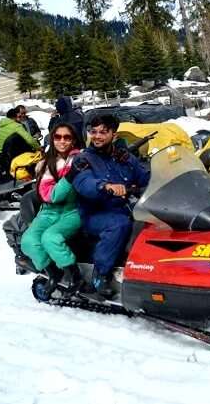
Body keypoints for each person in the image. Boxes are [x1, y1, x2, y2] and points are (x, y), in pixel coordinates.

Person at [70, 114, 149, 298]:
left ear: (114, 134)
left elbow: (144, 176)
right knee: (119, 224)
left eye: (103, 132)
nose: (97, 136)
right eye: (93, 132)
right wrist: (104, 186)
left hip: (125, 208)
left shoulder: (124, 157)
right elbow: (84, 183)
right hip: (94, 214)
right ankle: (101, 274)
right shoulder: (83, 159)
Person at [20, 123, 83, 292]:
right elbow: (48, 195)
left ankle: (75, 275)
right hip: (48, 211)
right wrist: (69, 176)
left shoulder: (79, 160)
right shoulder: (46, 164)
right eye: (58, 137)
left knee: (50, 238)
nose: (62, 141)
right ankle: (53, 273)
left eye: (67, 137)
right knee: (28, 241)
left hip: (71, 210)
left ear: (73, 140)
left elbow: (57, 195)